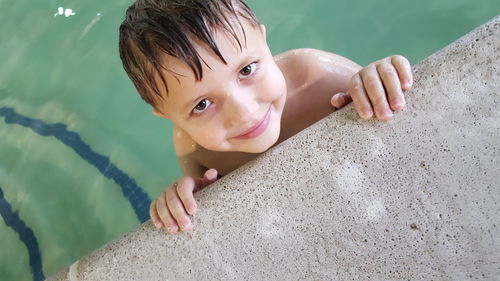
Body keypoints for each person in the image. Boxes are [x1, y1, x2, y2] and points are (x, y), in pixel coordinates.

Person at [118, 0, 413, 234]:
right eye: (202, 104)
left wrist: (375, 80)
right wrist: (183, 197)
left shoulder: (318, 75)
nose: (244, 111)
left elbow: (392, 117)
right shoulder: (193, 148)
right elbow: (202, 204)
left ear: (262, 37)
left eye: (246, 70)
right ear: (167, 116)